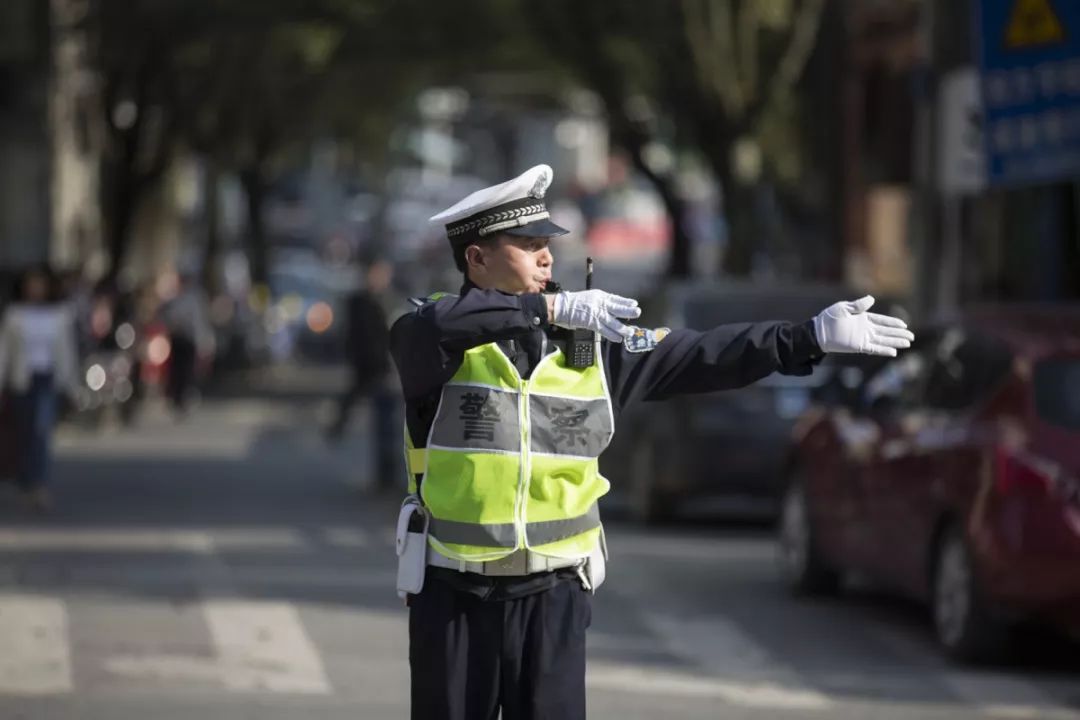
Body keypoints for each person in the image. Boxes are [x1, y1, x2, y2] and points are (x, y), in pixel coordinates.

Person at [389, 165, 914, 720]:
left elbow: (701, 354)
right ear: (476, 258)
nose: (547, 258)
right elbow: (436, 327)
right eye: (528, 246)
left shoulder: (588, 344)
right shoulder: (432, 338)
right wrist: (542, 308)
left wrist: (806, 337)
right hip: (453, 595)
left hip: (553, 596)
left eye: (547, 245)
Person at [0, 265, 79, 511]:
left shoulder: (60, 314)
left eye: (40, 284)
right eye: (31, 284)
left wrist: (72, 385)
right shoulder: (14, 314)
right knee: (24, 434)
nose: (35, 289)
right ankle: (26, 481)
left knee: (41, 432)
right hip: (22, 380)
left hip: (48, 380)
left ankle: (39, 485)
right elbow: (4, 352)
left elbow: (68, 351)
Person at [325, 258, 401, 490]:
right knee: (383, 422)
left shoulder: (389, 300)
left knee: (386, 424)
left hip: (383, 370)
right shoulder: (358, 302)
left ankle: (387, 475)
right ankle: (385, 475)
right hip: (369, 367)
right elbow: (352, 336)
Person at [159, 271, 214, 414]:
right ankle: (175, 397)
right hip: (176, 340)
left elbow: (199, 322)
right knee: (175, 370)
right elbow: (165, 316)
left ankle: (184, 395)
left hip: (189, 340)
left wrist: (204, 341)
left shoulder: (194, 299)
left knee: (186, 370)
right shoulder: (173, 298)